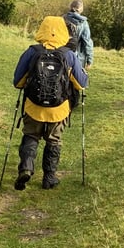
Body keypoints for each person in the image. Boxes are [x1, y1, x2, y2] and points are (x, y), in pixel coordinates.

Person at [13, 16, 89, 190]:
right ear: (63, 31)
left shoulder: (32, 52)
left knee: (31, 136)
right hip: (59, 109)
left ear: (42, 29)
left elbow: (18, 82)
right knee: (54, 140)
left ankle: (26, 168)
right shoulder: (68, 55)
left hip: (34, 107)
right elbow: (81, 84)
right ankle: (49, 177)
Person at [63, 0, 94, 70]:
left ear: (70, 7)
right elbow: (87, 42)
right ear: (81, 9)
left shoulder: (63, 19)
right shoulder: (83, 23)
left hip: (62, 54)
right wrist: (90, 60)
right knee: (77, 79)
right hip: (78, 58)